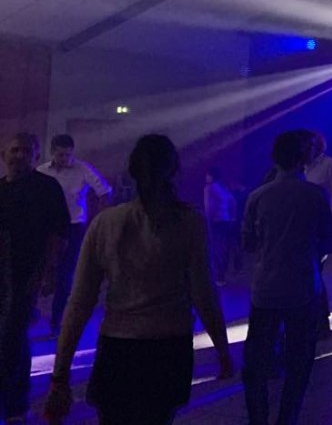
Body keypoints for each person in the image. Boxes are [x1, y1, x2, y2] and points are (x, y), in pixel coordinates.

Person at [44, 134, 232, 425]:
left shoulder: (106, 223)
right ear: (175, 172)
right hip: (169, 345)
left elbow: (79, 302)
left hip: (118, 346)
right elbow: (203, 292)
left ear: (131, 173)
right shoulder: (189, 222)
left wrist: (60, 375)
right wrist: (222, 350)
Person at [242, 130, 332, 425]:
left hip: (266, 288)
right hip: (303, 287)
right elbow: (330, 242)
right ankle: (287, 418)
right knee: (299, 362)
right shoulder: (315, 195)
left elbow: (248, 243)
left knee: (255, 365)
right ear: (303, 159)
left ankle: (258, 420)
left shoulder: (257, 196)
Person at [0, 133, 69, 424]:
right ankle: (15, 403)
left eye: (26, 151)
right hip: (3, 275)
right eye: (14, 150)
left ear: (36, 155)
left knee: (12, 337)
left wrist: (49, 271)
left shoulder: (46, 188)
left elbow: (58, 233)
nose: (20, 155)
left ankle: (15, 405)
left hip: (27, 274)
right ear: (4, 154)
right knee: (12, 338)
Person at [36, 133, 113, 337]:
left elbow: (104, 191)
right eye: (61, 155)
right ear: (52, 153)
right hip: (47, 226)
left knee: (66, 274)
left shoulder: (82, 169)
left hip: (73, 226)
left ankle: (58, 321)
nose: (65, 159)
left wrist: (102, 219)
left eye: (68, 155)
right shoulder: (42, 171)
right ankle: (33, 314)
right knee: (39, 269)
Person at [304, 131, 332, 338]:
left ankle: (321, 323)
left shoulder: (330, 165)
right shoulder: (302, 167)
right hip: (302, 229)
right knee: (308, 276)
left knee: (315, 275)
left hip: (319, 231)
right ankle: (312, 321)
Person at [204, 166, 237, 287]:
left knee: (216, 250)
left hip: (216, 222)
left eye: (207, 175)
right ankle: (221, 275)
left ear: (211, 175)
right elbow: (233, 202)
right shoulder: (223, 187)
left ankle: (218, 277)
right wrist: (232, 218)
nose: (206, 177)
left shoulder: (209, 188)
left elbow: (208, 207)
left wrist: (208, 223)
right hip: (227, 222)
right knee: (224, 249)